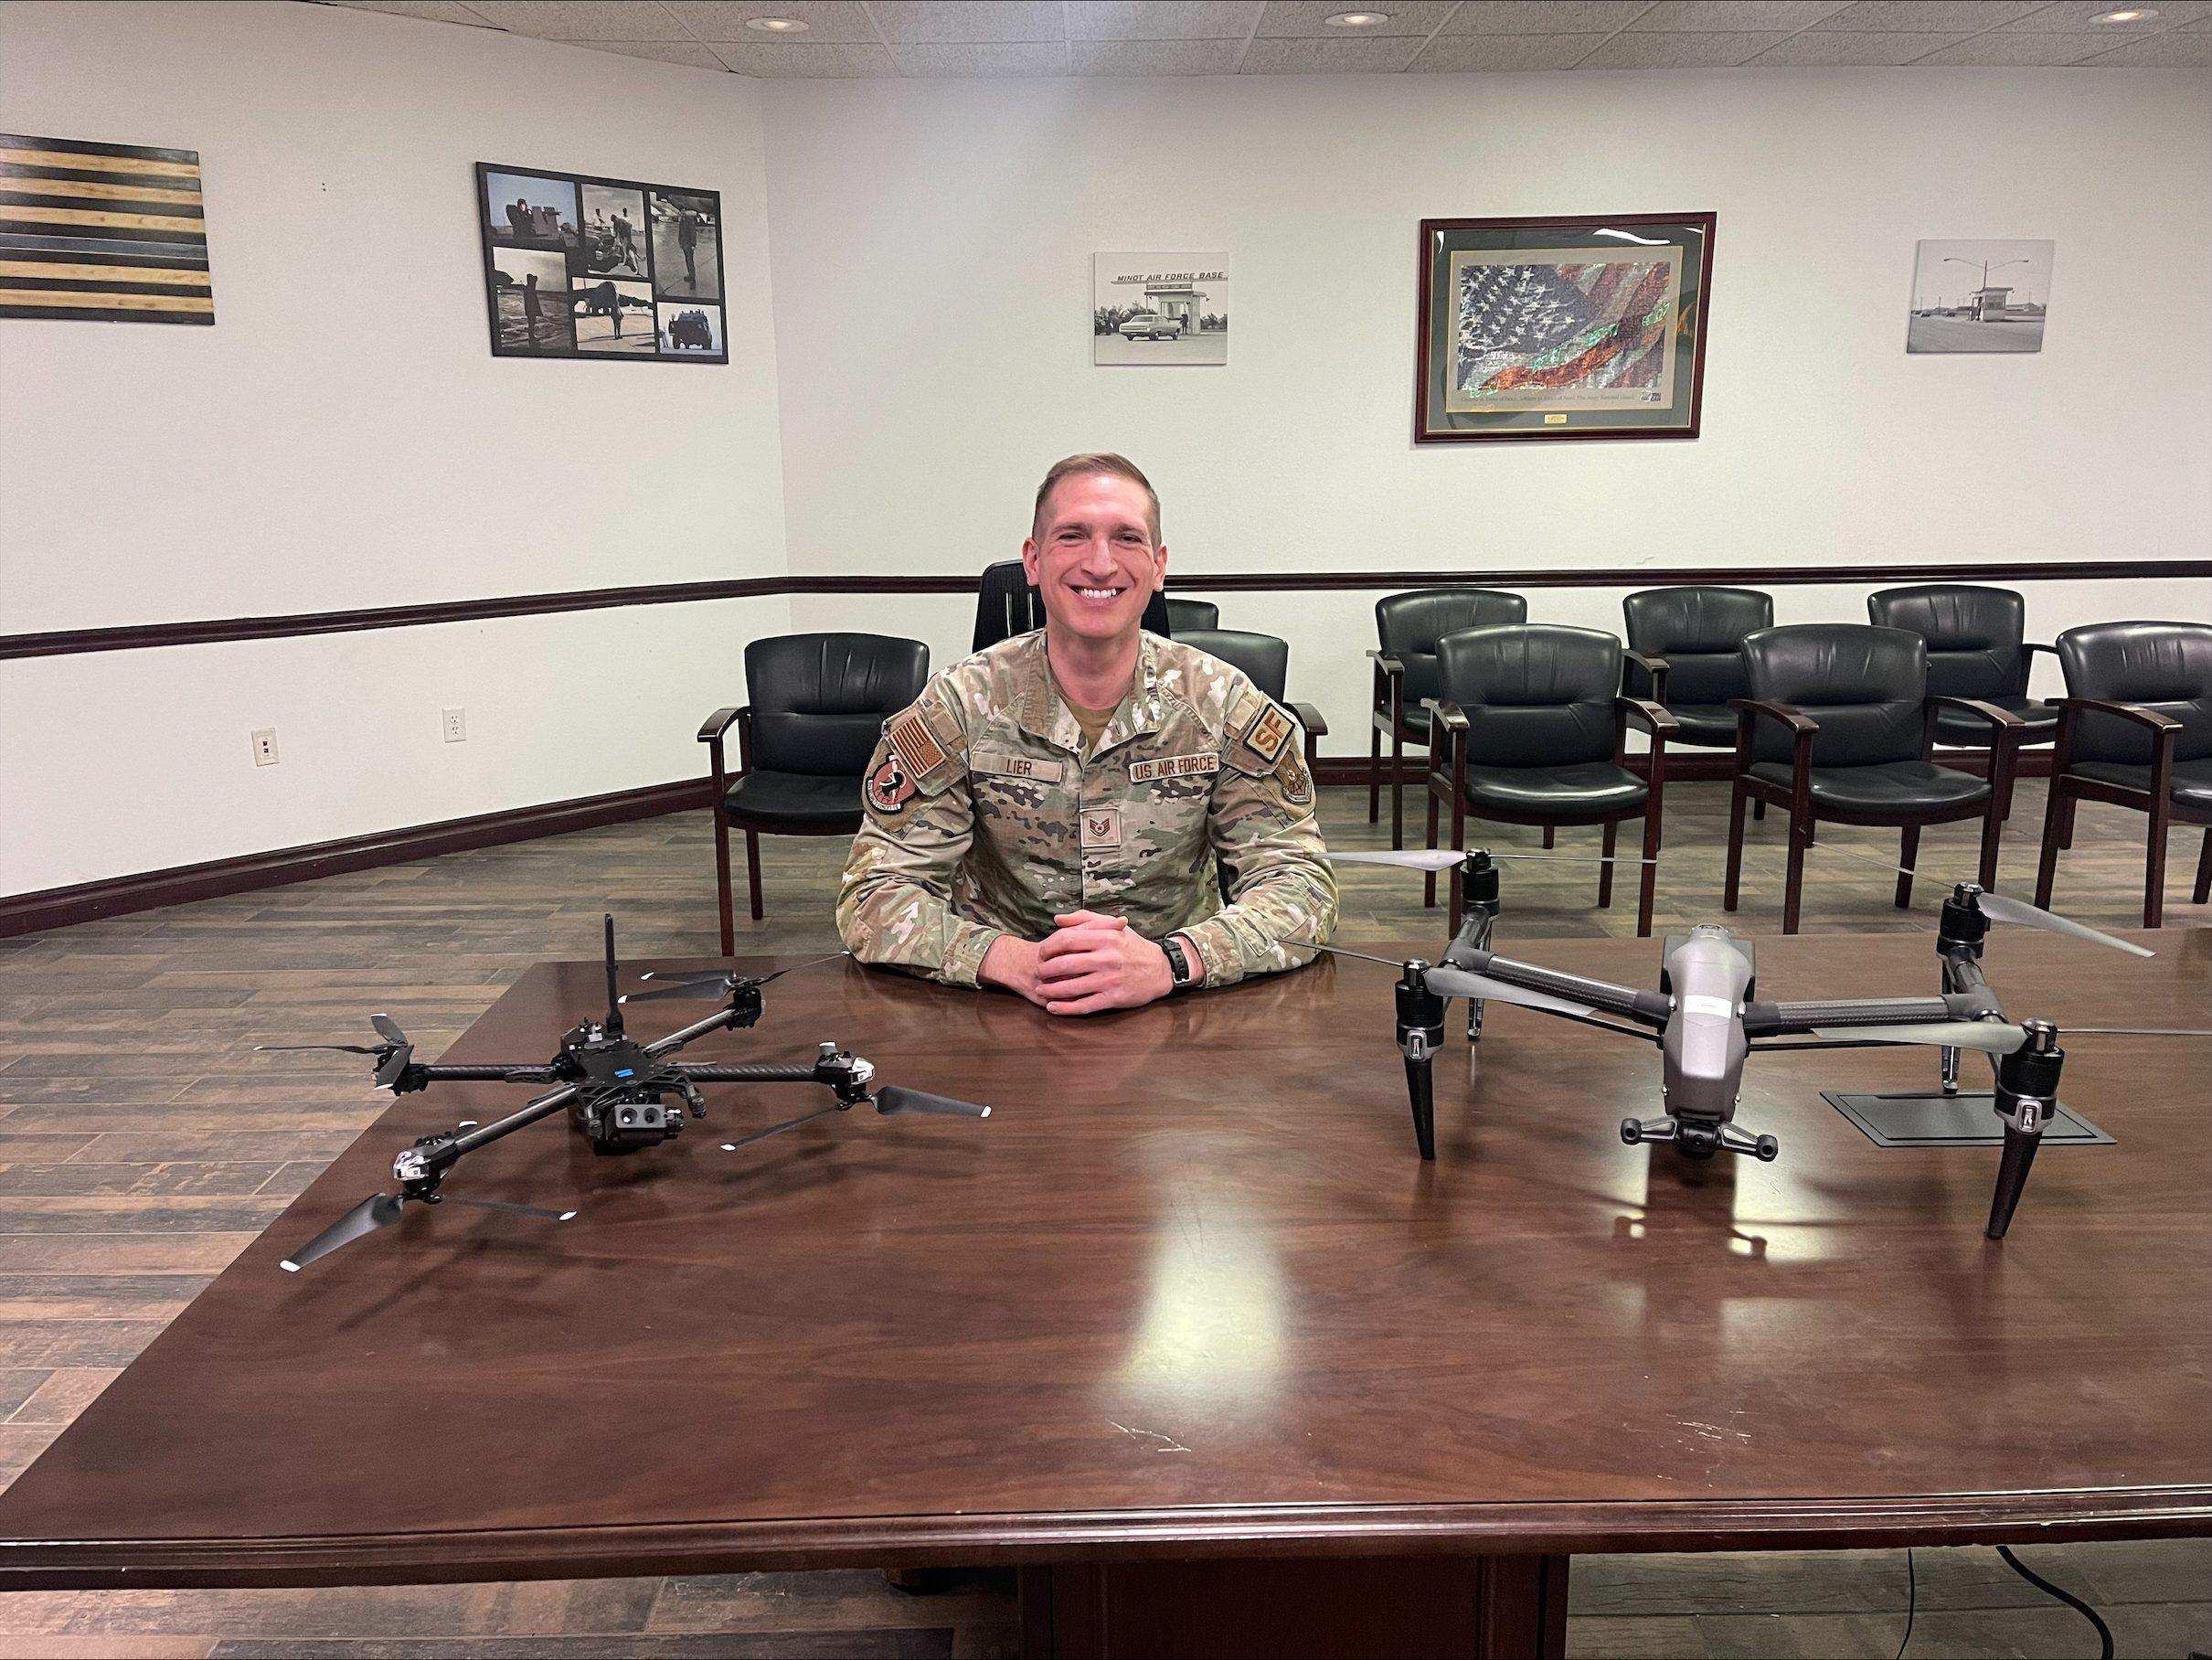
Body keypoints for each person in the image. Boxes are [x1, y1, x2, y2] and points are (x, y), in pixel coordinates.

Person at [837, 453, 1336, 1016]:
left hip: (1182, 1002)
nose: (1101, 564)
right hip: (1001, 1002)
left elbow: (1301, 886)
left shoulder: (1220, 703)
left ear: (1158, 565)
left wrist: (1174, 960)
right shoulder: (960, 705)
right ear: (1033, 559)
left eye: (1127, 538)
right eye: (1072, 535)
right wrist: (1011, 960)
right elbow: (874, 897)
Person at [522, 271, 540, 346]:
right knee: (531, 322)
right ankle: (531, 336)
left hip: (531, 308)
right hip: (531, 308)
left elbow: (535, 278)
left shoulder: (528, 288)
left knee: (532, 322)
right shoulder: (529, 288)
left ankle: (531, 336)